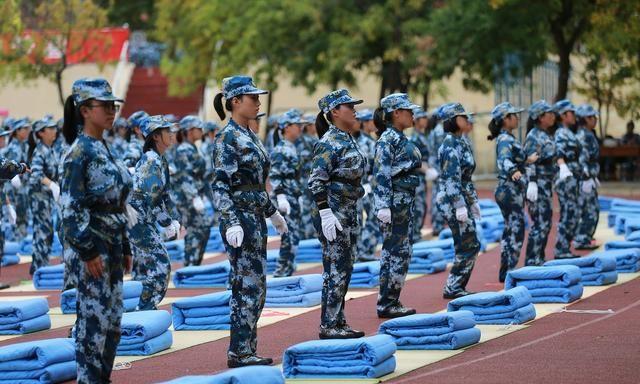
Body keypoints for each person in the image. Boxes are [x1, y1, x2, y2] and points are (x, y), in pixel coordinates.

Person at [60, 77, 134, 383]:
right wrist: (88, 250)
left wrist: (127, 246)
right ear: (85, 110)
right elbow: (70, 209)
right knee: (94, 323)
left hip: (114, 245)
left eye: (112, 105)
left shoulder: (106, 148)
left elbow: (118, 203)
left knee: (113, 322)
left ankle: (102, 379)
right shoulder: (79, 154)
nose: (111, 110)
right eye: (103, 105)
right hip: (95, 249)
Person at [212, 75, 288, 367]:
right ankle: (240, 351)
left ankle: (246, 349)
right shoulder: (227, 137)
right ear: (235, 102)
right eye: (252, 98)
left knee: (257, 287)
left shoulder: (249, 135)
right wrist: (230, 220)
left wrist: (272, 213)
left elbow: (255, 184)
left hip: (254, 218)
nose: (258, 102)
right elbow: (221, 184)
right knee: (246, 286)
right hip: (240, 222)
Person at [309, 88, 366, 339]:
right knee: (336, 268)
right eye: (348, 106)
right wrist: (325, 213)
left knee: (345, 267)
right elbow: (316, 181)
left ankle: (338, 320)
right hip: (334, 212)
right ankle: (329, 325)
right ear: (334, 112)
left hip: (348, 210)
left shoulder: (346, 137)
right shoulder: (329, 142)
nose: (354, 109)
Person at [372, 93, 422, 318]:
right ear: (396, 113)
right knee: (394, 252)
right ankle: (387, 302)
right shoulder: (387, 139)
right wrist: (383, 205)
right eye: (408, 110)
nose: (413, 114)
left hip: (404, 203)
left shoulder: (399, 137)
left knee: (401, 252)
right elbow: (381, 173)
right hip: (394, 204)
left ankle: (392, 299)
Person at [128, 115, 180, 310]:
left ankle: (143, 306)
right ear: (156, 136)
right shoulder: (151, 161)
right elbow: (151, 197)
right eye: (167, 131)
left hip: (144, 220)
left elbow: (164, 194)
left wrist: (173, 219)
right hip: (137, 220)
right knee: (161, 264)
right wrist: (166, 222)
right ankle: (145, 306)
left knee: (152, 265)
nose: (172, 134)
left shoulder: (159, 159)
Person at [488, 102, 538, 281]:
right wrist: (515, 172)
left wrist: (527, 160)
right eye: (513, 115)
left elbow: (516, 159)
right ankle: (509, 271)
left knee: (511, 229)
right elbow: (505, 160)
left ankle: (507, 270)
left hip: (511, 189)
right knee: (516, 229)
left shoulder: (508, 137)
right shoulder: (505, 140)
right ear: (505, 119)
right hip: (509, 189)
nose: (517, 118)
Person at [435, 103, 481, 299]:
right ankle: (454, 285)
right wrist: (460, 205)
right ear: (453, 120)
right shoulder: (450, 144)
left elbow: (466, 178)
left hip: (461, 198)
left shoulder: (461, 141)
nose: (467, 120)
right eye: (463, 117)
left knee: (469, 243)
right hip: (452, 200)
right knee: (467, 243)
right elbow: (451, 178)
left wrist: (473, 201)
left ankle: (456, 285)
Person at [270, 109, 305, 277]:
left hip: (293, 197)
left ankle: (287, 270)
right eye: (297, 125)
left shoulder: (291, 147)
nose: (300, 128)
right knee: (289, 239)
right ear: (286, 127)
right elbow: (275, 174)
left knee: (294, 238)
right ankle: (281, 273)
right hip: (286, 199)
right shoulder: (281, 149)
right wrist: (281, 196)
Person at [174, 115, 211, 267]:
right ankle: (190, 263)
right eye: (198, 128)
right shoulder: (184, 149)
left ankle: (192, 263)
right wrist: (194, 197)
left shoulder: (192, 148)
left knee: (200, 229)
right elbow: (185, 176)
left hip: (196, 196)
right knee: (198, 228)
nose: (201, 131)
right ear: (189, 131)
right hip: (188, 198)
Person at [26, 116, 61, 275]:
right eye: (50, 128)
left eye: (55, 128)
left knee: (47, 231)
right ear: (41, 133)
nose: (54, 131)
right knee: (42, 231)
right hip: (39, 197)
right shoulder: (40, 151)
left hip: (47, 197)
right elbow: (36, 174)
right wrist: (51, 184)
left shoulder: (50, 149)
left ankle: (41, 264)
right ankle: (39, 267)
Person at [524, 100, 557, 266]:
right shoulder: (533, 136)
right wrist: (532, 182)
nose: (552, 116)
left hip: (546, 185)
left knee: (546, 222)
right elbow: (530, 162)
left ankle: (539, 257)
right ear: (540, 117)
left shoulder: (545, 134)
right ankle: (532, 259)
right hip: (537, 186)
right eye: (548, 114)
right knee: (540, 223)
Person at [552, 99, 582, 259]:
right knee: (569, 212)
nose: (574, 115)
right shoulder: (561, 133)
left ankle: (564, 248)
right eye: (572, 112)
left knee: (573, 212)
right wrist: (563, 167)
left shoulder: (569, 132)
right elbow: (559, 152)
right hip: (566, 178)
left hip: (573, 178)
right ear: (563, 115)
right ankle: (561, 249)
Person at [573, 104, 601, 250]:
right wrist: (587, 177)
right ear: (585, 119)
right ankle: (582, 238)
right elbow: (582, 159)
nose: (595, 119)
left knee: (589, 209)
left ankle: (584, 236)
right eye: (592, 117)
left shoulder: (588, 133)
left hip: (588, 177)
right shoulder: (584, 135)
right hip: (585, 179)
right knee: (590, 210)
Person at [354, 109, 379, 261]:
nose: (373, 124)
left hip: (368, 185)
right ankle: (359, 252)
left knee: (372, 217)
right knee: (357, 220)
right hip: (359, 185)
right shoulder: (358, 141)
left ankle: (366, 250)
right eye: (370, 121)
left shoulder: (369, 141)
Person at [4, 117, 31, 241]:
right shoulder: (11, 148)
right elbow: (6, 169)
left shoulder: (24, 145)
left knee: (23, 216)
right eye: (25, 129)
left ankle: (21, 244)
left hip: (22, 187)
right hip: (13, 189)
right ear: (17, 131)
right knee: (13, 217)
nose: (27, 131)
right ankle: (14, 243)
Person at [409, 106, 432, 242]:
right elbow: (416, 160)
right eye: (422, 117)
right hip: (417, 177)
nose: (425, 120)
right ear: (416, 121)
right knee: (418, 207)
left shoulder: (423, 136)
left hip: (423, 178)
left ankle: (417, 233)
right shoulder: (415, 138)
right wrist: (427, 170)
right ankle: (415, 235)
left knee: (422, 206)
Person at [296, 114, 319, 240]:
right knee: (307, 207)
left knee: (307, 207)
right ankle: (308, 234)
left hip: (305, 179)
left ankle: (306, 233)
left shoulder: (305, 140)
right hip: (307, 179)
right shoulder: (309, 141)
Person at [427, 110, 446, 236]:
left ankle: (437, 224)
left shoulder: (435, 130)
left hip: (436, 167)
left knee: (436, 195)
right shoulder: (440, 131)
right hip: (439, 168)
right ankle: (438, 225)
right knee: (439, 197)